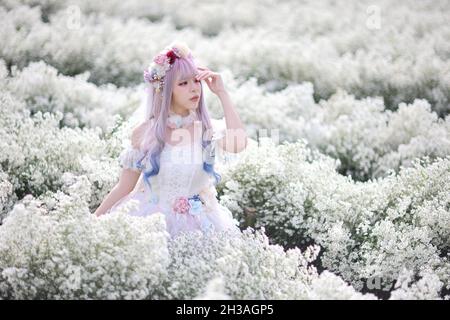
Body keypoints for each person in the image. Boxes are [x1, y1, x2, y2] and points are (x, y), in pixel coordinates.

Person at [94, 41, 248, 239]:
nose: (194, 89)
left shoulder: (206, 130)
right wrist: (92, 223)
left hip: (200, 225)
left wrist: (222, 93)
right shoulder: (145, 133)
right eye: (183, 83)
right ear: (166, 91)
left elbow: (239, 144)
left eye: (196, 81)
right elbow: (124, 187)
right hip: (150, 222)